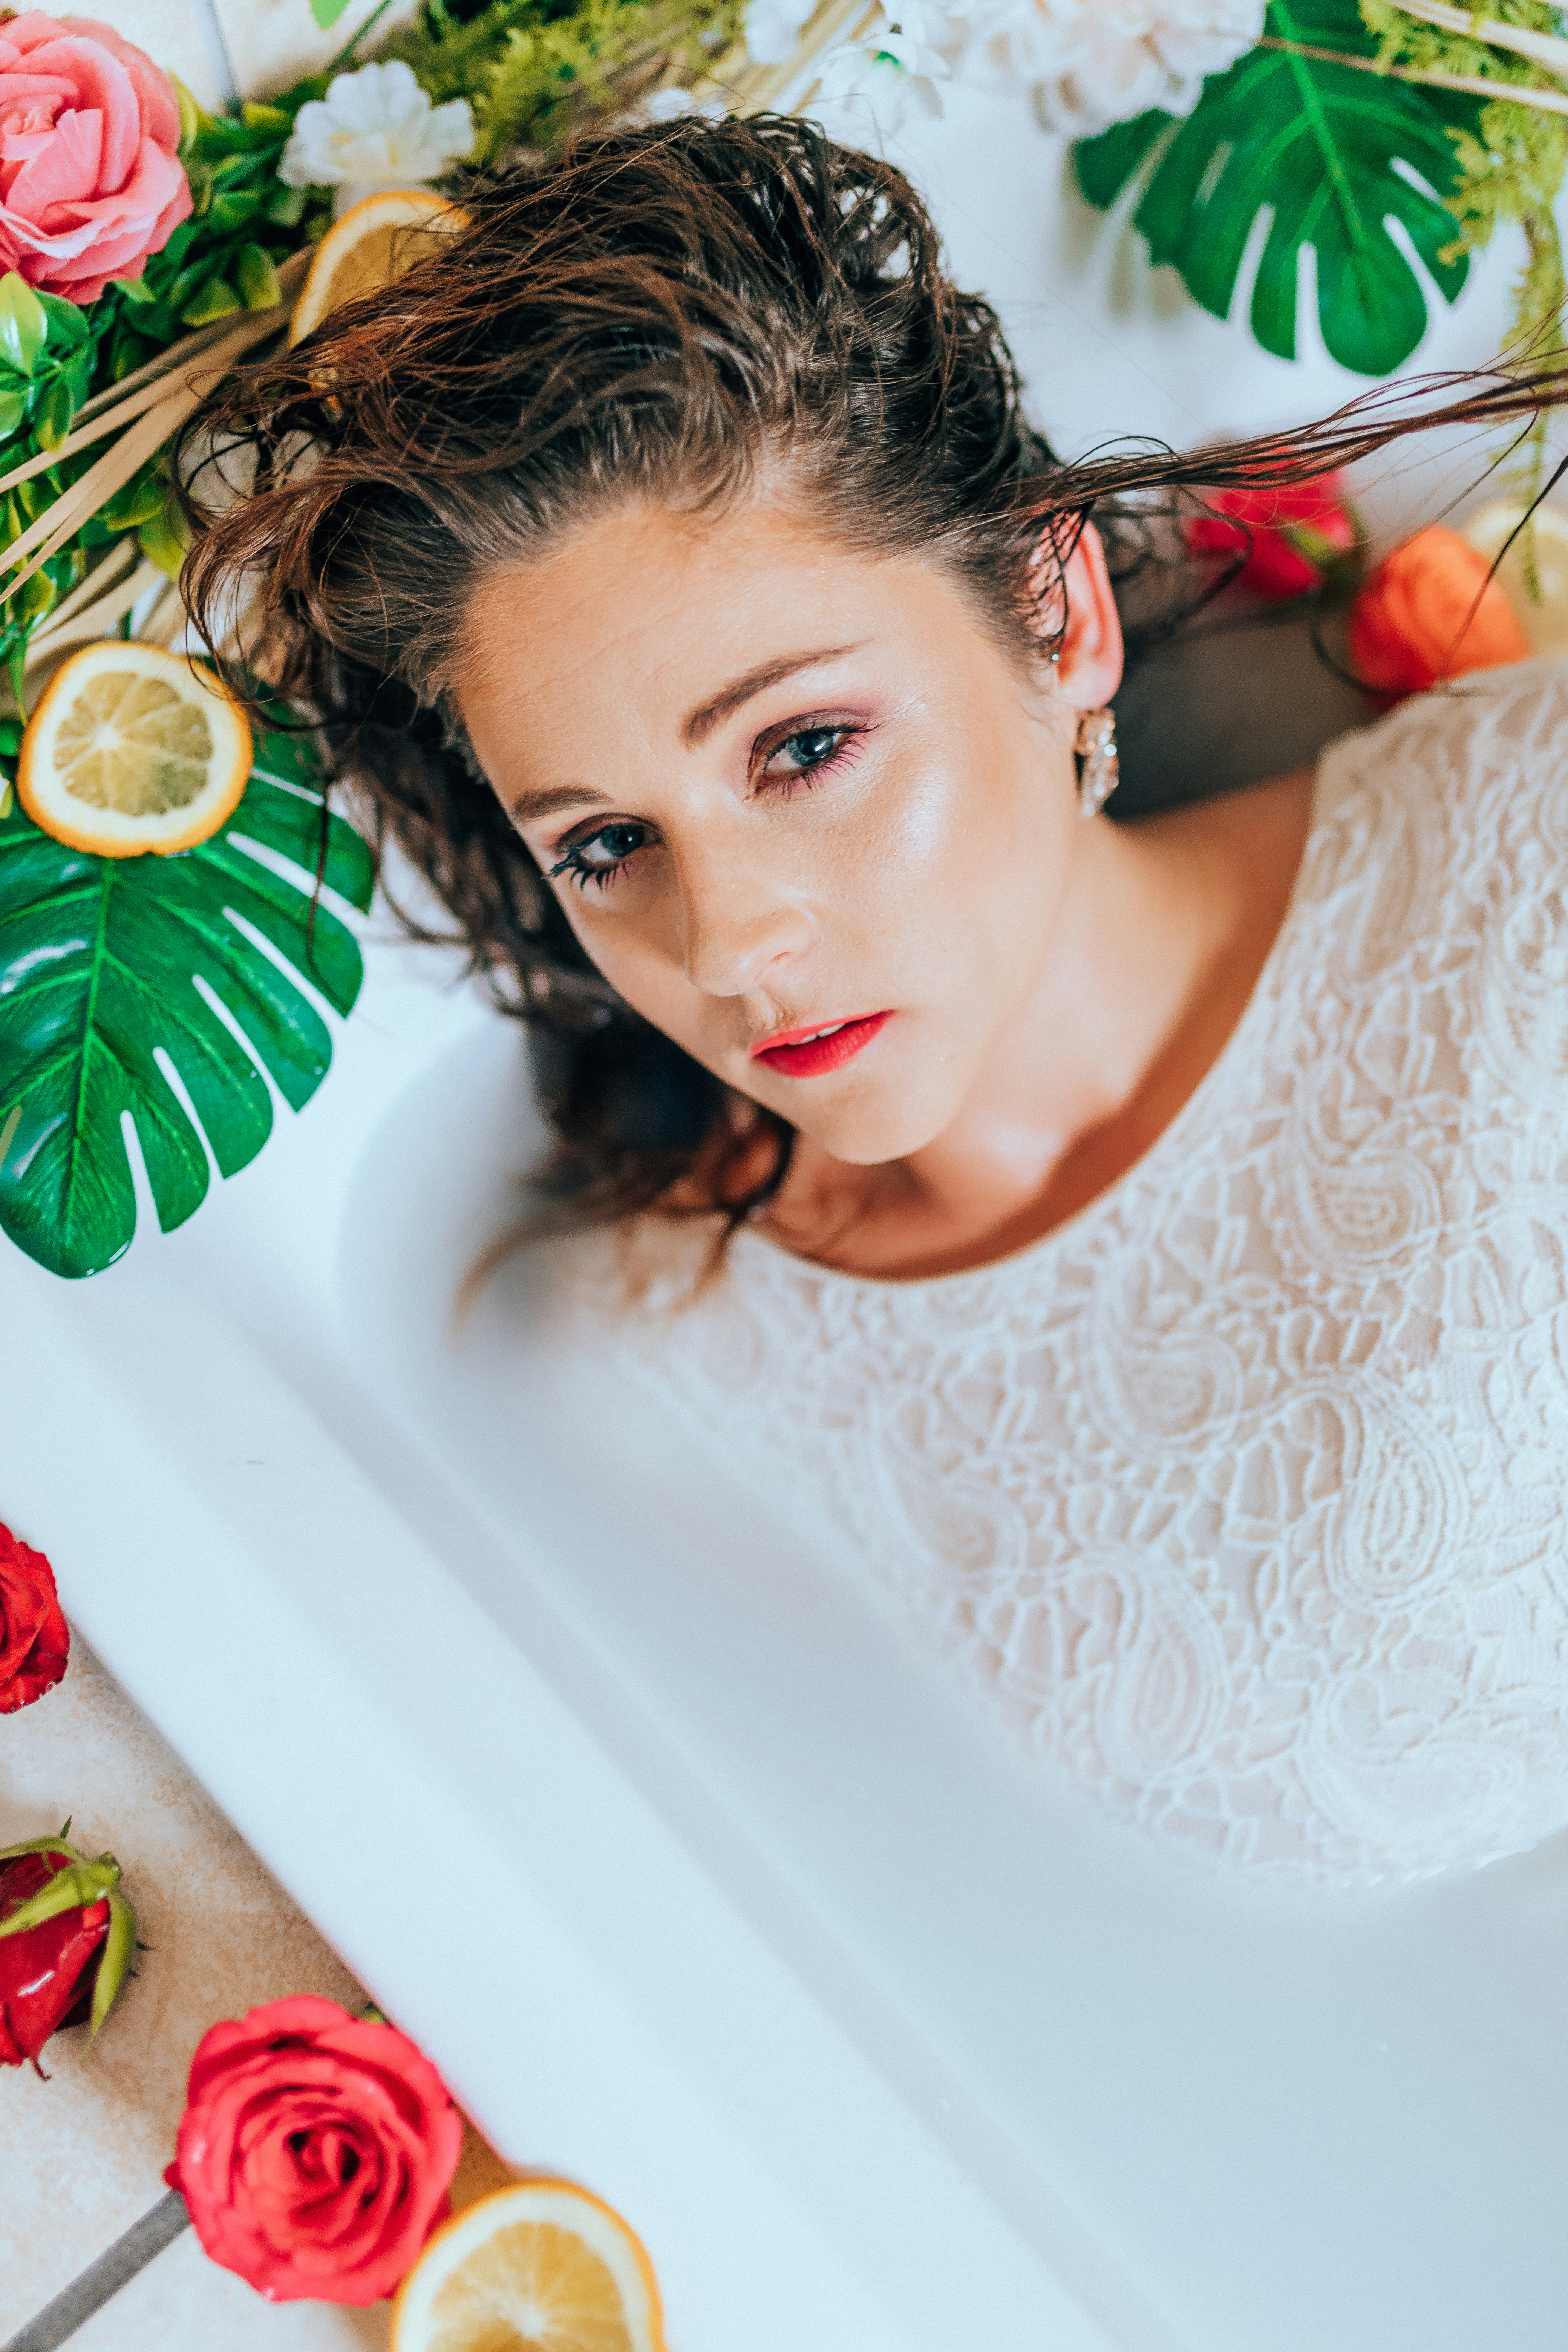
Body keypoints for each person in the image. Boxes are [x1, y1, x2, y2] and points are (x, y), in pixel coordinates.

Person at [183, 116, 1568, 1887]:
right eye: (607, 844)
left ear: (1055, 616)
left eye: (804, 747)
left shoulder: (1527, 859)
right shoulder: (644, 1365)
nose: (729, 946)